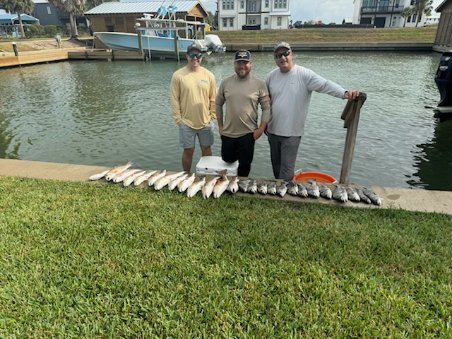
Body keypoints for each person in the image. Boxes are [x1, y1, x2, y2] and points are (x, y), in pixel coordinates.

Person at [266, 42, 360, 180]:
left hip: (292, 133)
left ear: (291, 54)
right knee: (276, 167)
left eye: (286, 54)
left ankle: (285, 198)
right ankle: (278, 195)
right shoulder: (270, 77)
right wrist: (264, 124)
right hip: (272, 131)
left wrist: (345, 93)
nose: (283, 58)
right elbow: (266, 102)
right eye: (278, 55)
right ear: (275, 59)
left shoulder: (304, 74)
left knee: (286, 171)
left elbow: (325, 85)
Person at [216, 50, 270, 177]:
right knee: (227, 160)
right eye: (239, 63)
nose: (242, 66)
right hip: (228, 132)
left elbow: (266, 108)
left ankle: (241, 188)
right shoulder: (225, 82)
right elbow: (218, 104)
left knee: (245, 166)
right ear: (234, 64)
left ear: (251, 64)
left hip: (248, 134)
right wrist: (220, 126)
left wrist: (261, 129)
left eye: (245, 63)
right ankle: (227, 183)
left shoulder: (260, 84)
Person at [170, 42, 217, 172]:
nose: (195, 58)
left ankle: (208, 175)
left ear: (201, 56)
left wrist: (212, 117)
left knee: (206, 149)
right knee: (188, 150)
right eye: (192, 55)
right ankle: (186, 175)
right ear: (187, 56)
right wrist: (178, 120)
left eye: (198, 55)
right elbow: (174, 99)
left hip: (206, 122)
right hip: (186, 122)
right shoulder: (178, 75)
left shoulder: (209, 75)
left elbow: (213, 99)